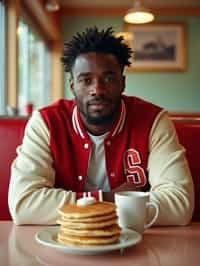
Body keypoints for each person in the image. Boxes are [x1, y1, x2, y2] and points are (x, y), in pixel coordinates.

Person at [8, 27, 194, 225]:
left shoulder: (154, 121)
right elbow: (23, 204)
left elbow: (180, 204)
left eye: (108, 78)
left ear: (122, 83)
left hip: (138, 243)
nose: (97, 89)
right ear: (72, 86)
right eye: (86, 80)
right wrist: (108, 198)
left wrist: (77, 208)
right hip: (63, 242)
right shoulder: (45, 123)